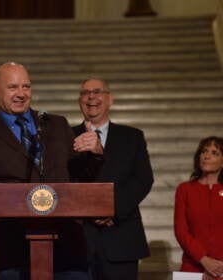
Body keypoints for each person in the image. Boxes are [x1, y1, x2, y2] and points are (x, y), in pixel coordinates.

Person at [0, 62, 103, 280]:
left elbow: (83, 176)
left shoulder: (55, 123)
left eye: (26, 87)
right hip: (15, 253)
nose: (21, 94)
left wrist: (96, 151)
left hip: (68, 248)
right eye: (13, 87)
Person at [71, 78, 154, 280]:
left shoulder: (132, 137)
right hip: (79, 240)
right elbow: (65, 181)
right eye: (85, 93)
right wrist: (89, 210)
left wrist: (112, 209)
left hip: (121, 237)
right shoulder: (66, 137)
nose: (91, 97)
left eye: (97, 91)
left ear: (110, 99)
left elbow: (143, 179)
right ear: (79, 101)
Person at [174, 136, 223, 280]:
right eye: (204, 152)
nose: (207, 156)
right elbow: (181, 231)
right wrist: (204, 260)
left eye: (215, 153)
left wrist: (217, 267)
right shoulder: (185, 190)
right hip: (193, 267)